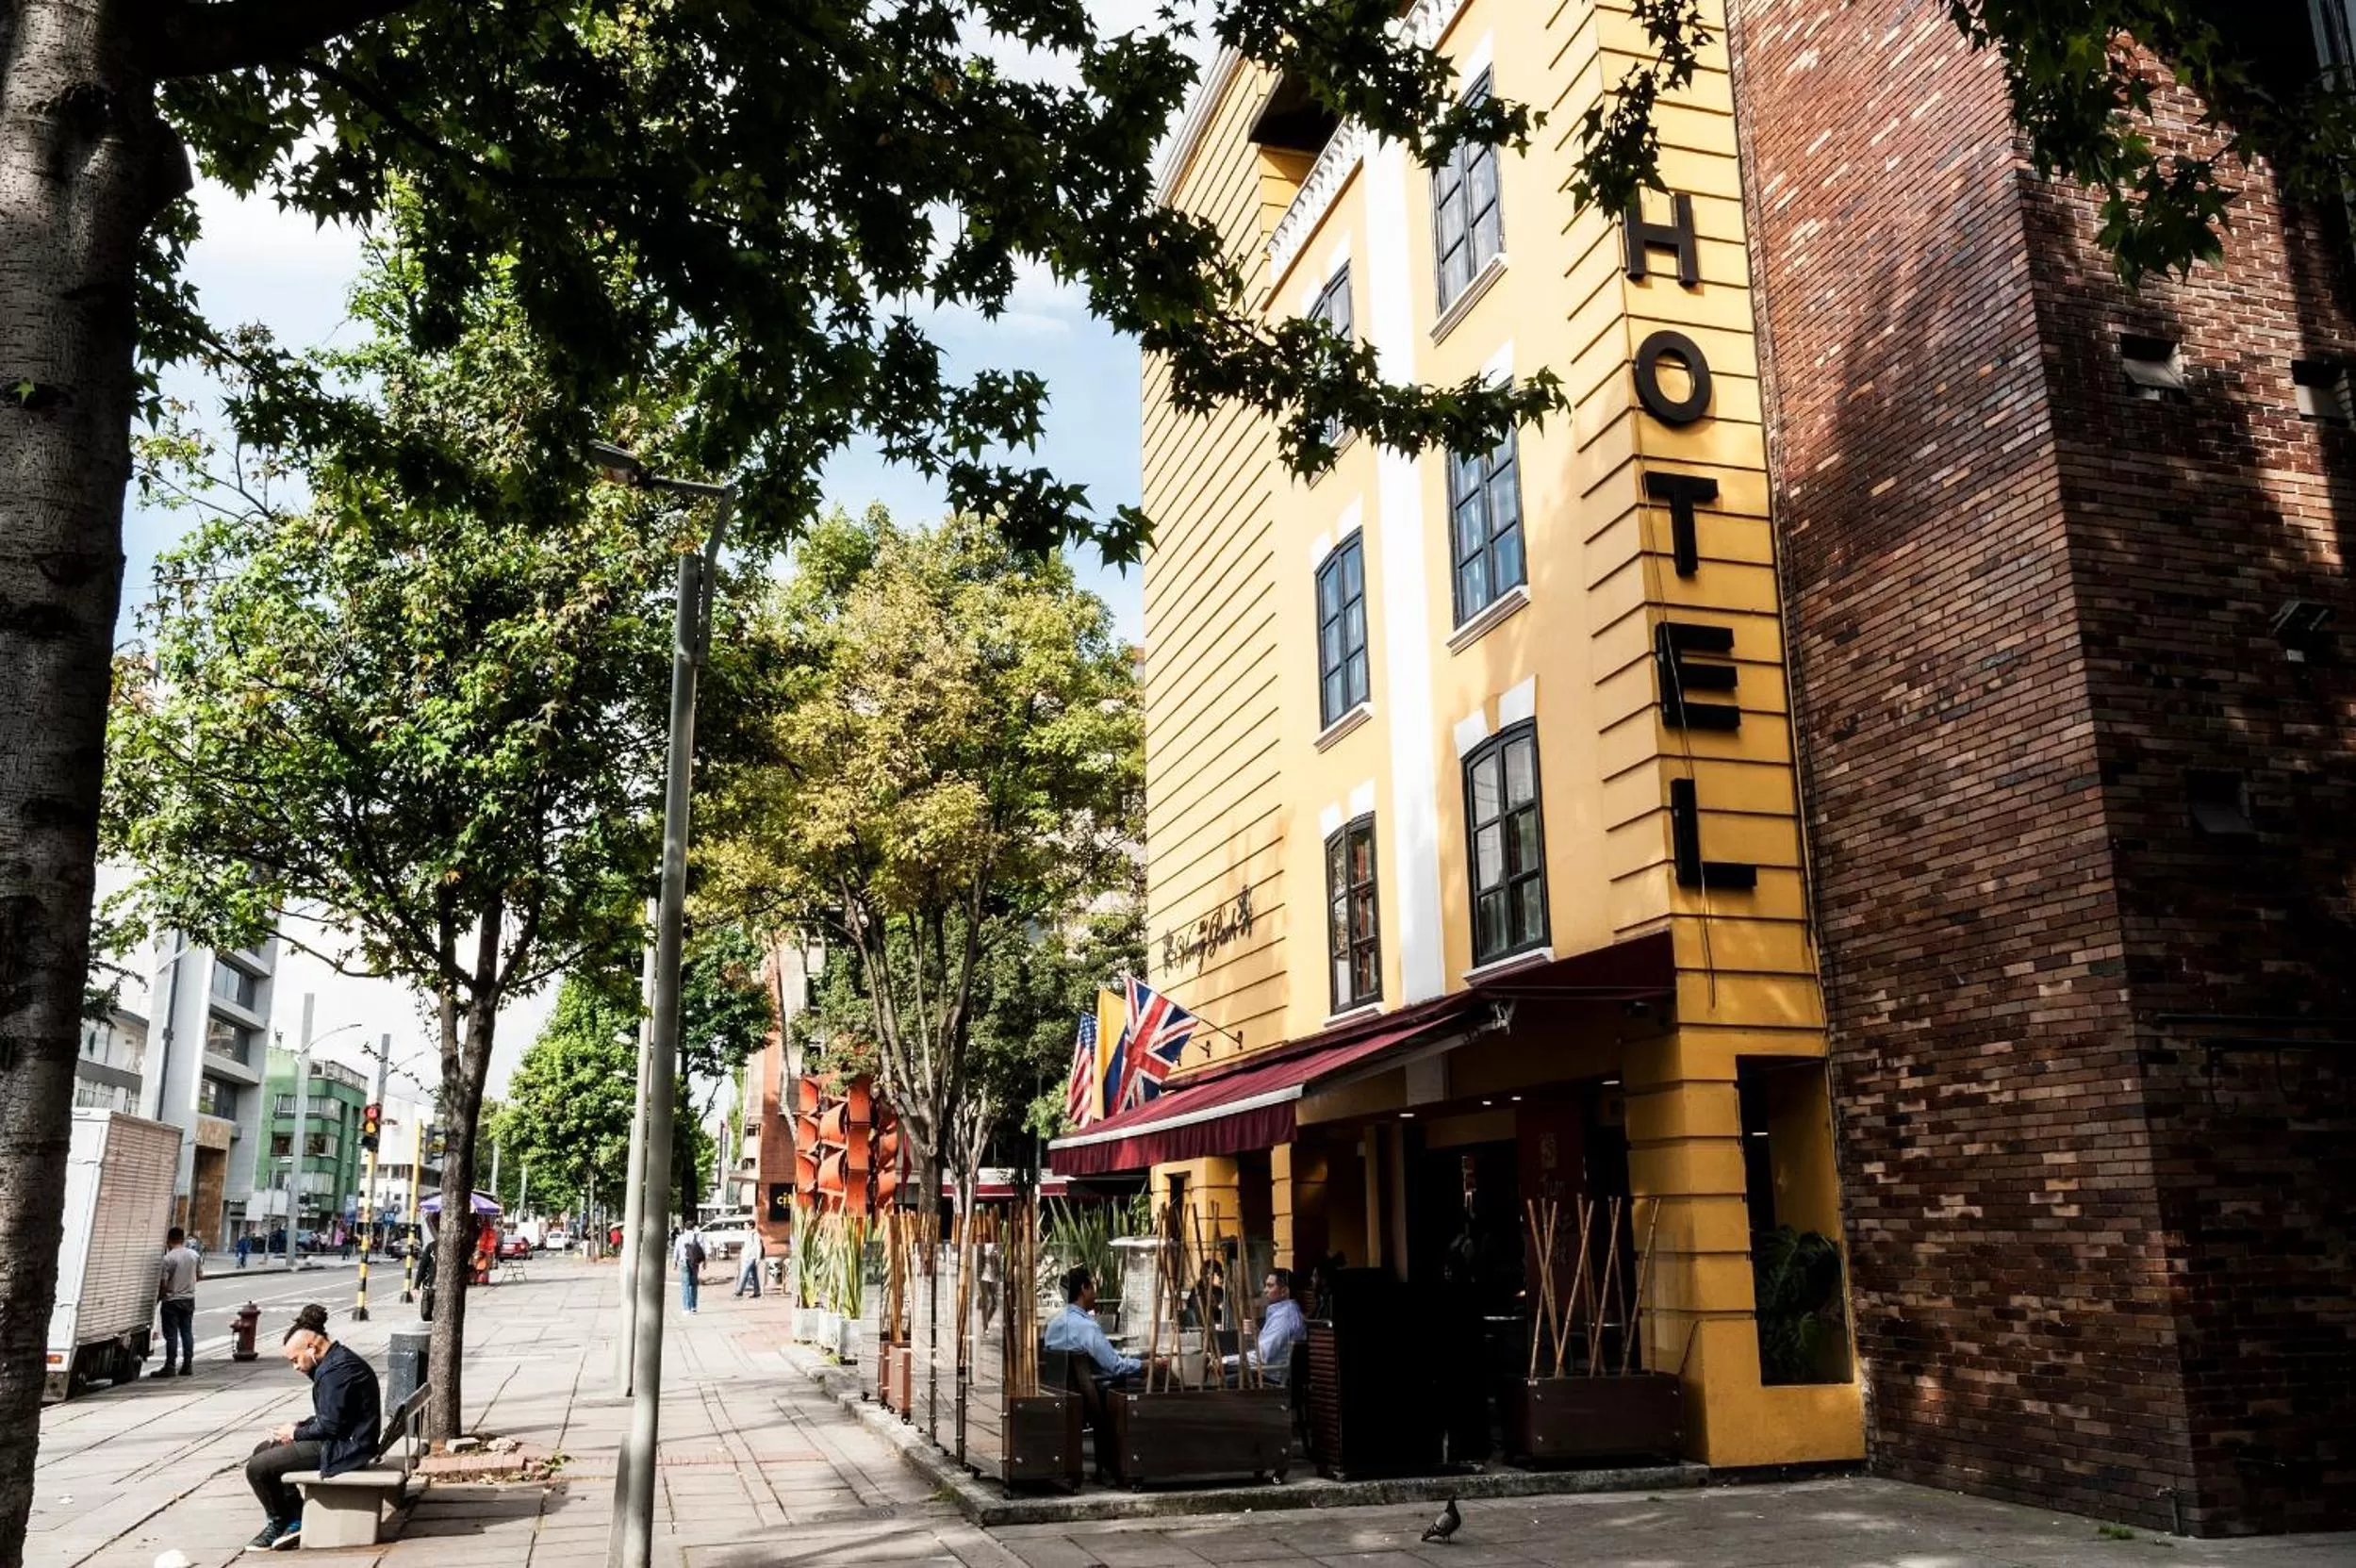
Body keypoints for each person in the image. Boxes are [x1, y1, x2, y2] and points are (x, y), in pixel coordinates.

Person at [242, 1304, 382, 1553]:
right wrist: (300, 1426)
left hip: (347, 1447)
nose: (295, 1367)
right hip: (345, 1439)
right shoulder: (334, 1363)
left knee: (258, 1467)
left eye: (295, 1360)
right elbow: (333, 1416)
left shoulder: (336, 1372)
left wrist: (294, 1434)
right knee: (262, 1450)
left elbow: (330, 1426)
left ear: (311, 1346)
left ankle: (279, 1522)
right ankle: (293, 1517)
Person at [1044, 1266, 1140, 1383]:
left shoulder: (1052, 1325)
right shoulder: (1088, 1328)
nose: (1095, 1295)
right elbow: (1115, 1366)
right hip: (1094, 1389)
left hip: (1066, 1392)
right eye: (1093, 1288)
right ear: (1084, 1289)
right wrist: (1147, 1364)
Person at [155, 1226, 202, 1378]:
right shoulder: (194, 1255)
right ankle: (187, 1365)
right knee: (186, 1332)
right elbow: (200, 1276)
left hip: (172, 1301)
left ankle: (170, 1366)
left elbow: (164, 1283)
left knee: (172, 1335)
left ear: (169, 1240)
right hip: (189, 1299)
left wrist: (159, 1298)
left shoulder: (168, 1258)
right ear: (182, 1239)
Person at [1255, 1268, 1307, 1384]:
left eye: (1270, 1286)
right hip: (1265, 1373)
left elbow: (1262, 1355)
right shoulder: (1282, 1312)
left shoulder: (1285, 1316)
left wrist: (1226, 1362)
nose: (1265, 1290)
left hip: (1271, 1379)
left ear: (1284, 1291)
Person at [676, 1227, 704, 1313]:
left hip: (683, 1261)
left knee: (685, 1285)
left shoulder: (680, 1238)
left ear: (684, 1228)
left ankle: (686, 1308)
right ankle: (693, 1307)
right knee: (694, 1284)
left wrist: (674, 1262)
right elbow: (702, 1250)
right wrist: (704, 1262)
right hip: (695, 1263)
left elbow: (676, 1251)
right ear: (693, 1228)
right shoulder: (698, 1237)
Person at [734, 1234, 762, 1299]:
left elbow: (758, 1246)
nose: (744, 1226)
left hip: (752, 1257)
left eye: (746, 1224)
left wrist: (758, 1258)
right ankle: (757, 1291)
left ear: (750, 1225)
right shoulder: (747, 1234)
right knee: (754, 1275)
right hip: (747, 1257)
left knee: (745, 1273)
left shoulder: (755, 1235)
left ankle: (740, 1290)